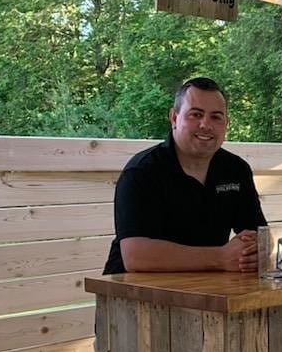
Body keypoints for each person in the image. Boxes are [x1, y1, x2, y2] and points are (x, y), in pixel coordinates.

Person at [103, 77, 266, 274]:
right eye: (196, 114)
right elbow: (135, 256)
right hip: (131, 294)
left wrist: (255, 252)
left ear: (226, 124)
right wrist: (220, 257)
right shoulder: (142, 171)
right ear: (174, 118)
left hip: (204, 289)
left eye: (216, 117)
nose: (205, 124)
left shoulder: (236, 170)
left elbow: (260, 236)